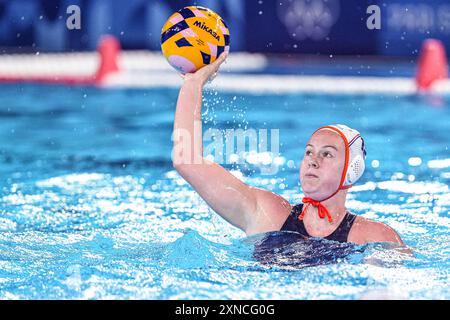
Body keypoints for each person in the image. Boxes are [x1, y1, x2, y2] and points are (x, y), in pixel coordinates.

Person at [172, 52, 405, 246]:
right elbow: (187, 160)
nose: (313, 161)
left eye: (327, 154)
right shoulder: (266, 214)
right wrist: (193, 83)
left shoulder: (373, 237)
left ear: (351, 171)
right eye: (309, 152)